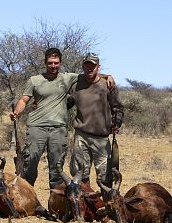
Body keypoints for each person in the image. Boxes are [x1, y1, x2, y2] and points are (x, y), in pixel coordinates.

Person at [10, 48, 114, 189]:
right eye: (50, 63)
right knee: (30, 163)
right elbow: (23, 100)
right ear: (45, 62)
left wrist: (108, 76)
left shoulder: (68, 78)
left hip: (58, 129)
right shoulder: (34, 80)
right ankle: (26, 197)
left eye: (56, 63)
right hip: (36, 127)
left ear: (60, 63)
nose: (53, 66)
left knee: (57, 167)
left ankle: (55, 202)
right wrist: (16, 113)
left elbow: (90, 74)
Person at [68, 52, 124, 187]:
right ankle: (83, 205)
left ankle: (107, 206)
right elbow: (66, 103)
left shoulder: (107, 85)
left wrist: (117, 123)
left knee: (105, 177)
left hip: (101, 138)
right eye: (87, 66)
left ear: (98, 67)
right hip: (81, 135)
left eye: (92, 66)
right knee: (80, 175)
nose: (89, 69)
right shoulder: (76, 83)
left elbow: (117, 108)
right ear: (83, 66)